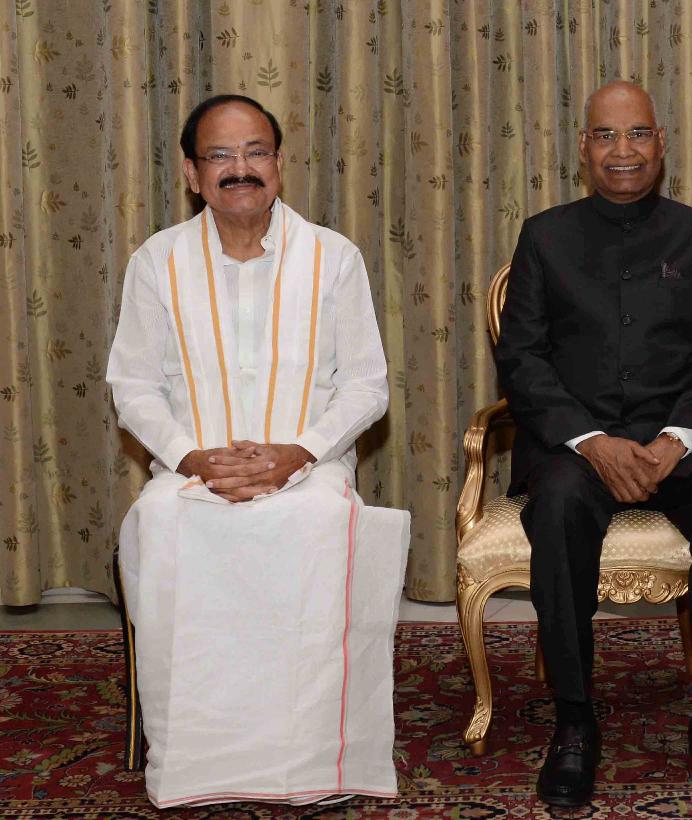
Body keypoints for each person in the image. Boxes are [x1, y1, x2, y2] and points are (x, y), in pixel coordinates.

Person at [107, 94, 410, 807]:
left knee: (322, 521)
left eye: (255, 152)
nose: (239, 168)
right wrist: (192, 458)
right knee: (162, 521)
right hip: (191, 473)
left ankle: (314, 765)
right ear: (192, 173)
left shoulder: (333, 257)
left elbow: (366, 386)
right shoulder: (157, 261)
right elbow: (133, 386)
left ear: (278, 164)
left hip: (309, 470)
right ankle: (196, 766)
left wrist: (297, 453)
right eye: (220, 155)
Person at [494, 80, 692, 806]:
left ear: (661, 143)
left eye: (638, 133)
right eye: (607, 135)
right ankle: (574, 719)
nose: (624, 150)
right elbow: (522, 360)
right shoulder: (544, 237)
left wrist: (677, 441)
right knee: (557, 504)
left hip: (684, 445)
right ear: (584, 148)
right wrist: (591, 442)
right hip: (577, 448)